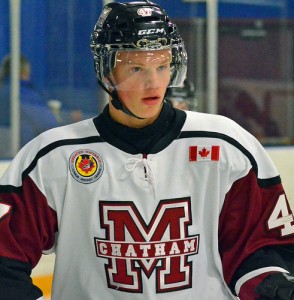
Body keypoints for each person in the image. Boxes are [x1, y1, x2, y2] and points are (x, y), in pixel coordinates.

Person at [0, 1, 294, 299]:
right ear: (107, 70)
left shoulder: (227, 145)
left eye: (163, 65)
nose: (153, 82)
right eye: (136, 67)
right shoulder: (53, 157)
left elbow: (260, 252)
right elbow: (4, 263)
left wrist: (277, 289)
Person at [0, 54, 59, 147]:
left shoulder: (4, 91)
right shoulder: (22, 94)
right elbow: (49, 125)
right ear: (24, 72)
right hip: (24, 152)